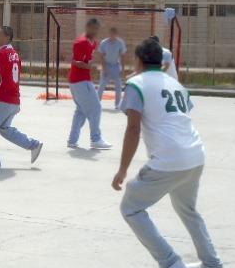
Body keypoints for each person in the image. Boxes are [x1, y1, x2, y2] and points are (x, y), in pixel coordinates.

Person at [112, 38, 223, 268]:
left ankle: (171, 263)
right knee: (188, 210)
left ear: (139, 60)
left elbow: (133, 129)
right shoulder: (175, 83)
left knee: (131, 208)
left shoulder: (136, 84)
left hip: (168, 161)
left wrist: (122, 169)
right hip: (195, 156)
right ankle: (212, 262)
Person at [0, 26, 43, 169]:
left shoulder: (1, 54)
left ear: (7, 37)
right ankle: (33, 145)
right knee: (4, 128)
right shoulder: (14, 54)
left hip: (1, 100)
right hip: (13, 100)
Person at [67, 18, 112, 150]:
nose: (96, 31)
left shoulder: (93, 43)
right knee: (96, 107)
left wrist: (89, 65)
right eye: (94, 28)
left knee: (81, 110)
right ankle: (96, 139)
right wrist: (89, 66)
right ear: (88, 28)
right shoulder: (80, 43)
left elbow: (88, 59)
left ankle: (72, 140)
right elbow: (75, 61)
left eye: (97, 29)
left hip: (81, 80)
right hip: (79, 80)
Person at [97, 27, 127, 110]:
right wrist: (104, 68)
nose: (112, 36)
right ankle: (96, 103)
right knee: (102, 85)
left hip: (116, 66)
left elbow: (123, 56)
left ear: (116, 34)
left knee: (118, 85)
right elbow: (101, 56)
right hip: (107, 65)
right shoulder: (104, 42)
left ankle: (117, 104)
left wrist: (123, 69)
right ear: (109, 34)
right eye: (111, 34)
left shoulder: (120, 43)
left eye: (114, 34)